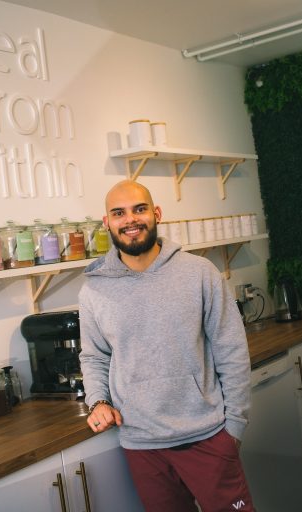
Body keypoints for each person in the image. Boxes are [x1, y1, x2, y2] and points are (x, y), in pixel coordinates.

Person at [79, 179, 254, 511]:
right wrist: (98, 401)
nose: (130, 220)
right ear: (107, 223)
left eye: (139, 209)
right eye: (119, 213)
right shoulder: (93, 292)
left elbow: (231, 349)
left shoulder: (200, 273)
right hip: (142, 444)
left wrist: (234, 427)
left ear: (156, 213)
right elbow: (94, 356)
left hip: (207, 436)